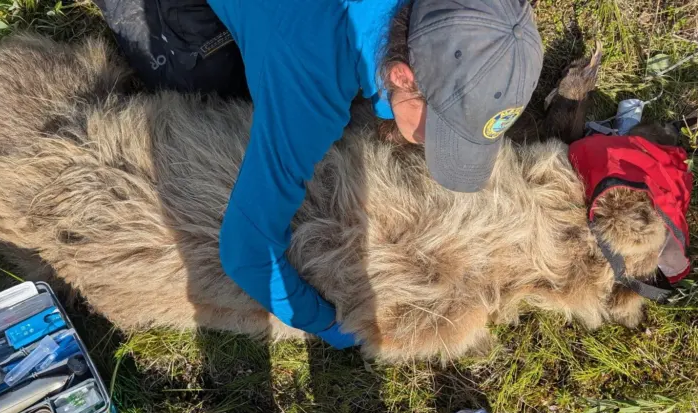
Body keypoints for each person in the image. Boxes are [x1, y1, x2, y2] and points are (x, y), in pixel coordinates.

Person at [96, 0, 547, 349]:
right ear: (402, 75)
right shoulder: (310, 90)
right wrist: (329, 325)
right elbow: (245, 249)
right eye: (439, 131)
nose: (430, 144)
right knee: (216, 91)